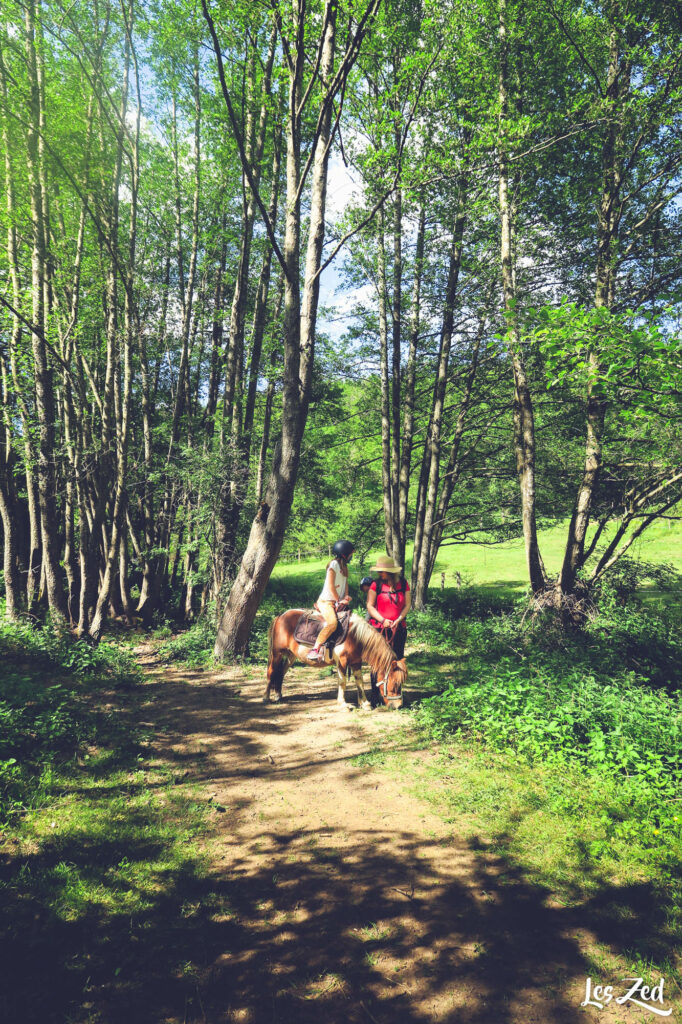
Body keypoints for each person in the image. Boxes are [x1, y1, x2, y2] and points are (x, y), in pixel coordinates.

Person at [309, 540, 355, 662]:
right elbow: (331, 586)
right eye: (350, 554)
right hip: (326, 602)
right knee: (332, 623)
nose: (351, 557)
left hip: (337, 601)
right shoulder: (334, 564)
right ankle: (315, 649)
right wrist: (338, 600)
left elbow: (345, 585)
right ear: (344, 554)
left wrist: (346, 597)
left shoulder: (344, 567)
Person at [366, 554, 411, 660]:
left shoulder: (403, 583)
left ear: (390, 571)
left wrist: (399, 620)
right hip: (379, 629)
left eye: (381, 571)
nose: (379, 573)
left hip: (399, 628)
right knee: (378, 660)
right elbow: (370, 606)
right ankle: (377, 677)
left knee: (397, 659)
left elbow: (408, 604)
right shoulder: (375, 584)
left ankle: (395, 677)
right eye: (378, 571)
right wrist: (383, 620)